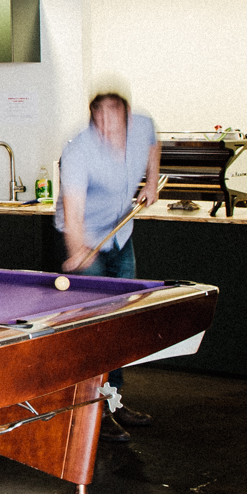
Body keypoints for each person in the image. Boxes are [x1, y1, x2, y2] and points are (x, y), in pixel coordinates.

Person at [56, 89, 162, 442]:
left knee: (121, 321)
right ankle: (92, 408)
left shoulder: (142, 127)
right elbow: (73, 211)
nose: (105, 124)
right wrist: (79, 250)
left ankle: (114, 400)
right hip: (87, 238)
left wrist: (151, 182)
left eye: (113, 116)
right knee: (97, 325)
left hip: (121, 234)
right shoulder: (78, 151)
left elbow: (153, 144)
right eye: (98, 116)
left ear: (127, 117)